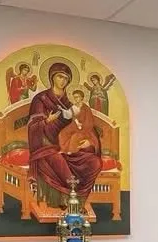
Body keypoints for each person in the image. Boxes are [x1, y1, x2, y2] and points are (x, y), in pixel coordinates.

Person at [27, 62, 103, 207]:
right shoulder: (41, 99)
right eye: (60, 77)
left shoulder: (73, 100)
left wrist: (90, 142)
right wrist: (47, 121)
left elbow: (87, 125)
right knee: (59, 162)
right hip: (47, 146)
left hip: (71, 145)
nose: (63, 81)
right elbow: (33, 127)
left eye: (66, 78)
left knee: (95, 162)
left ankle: (79, 202)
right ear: (52, 77)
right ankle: (69, 203)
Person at [58, 90, 99, 155]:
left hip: (84, 128)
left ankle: (71, 150)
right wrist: (62, 109)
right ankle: (64, 149)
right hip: (74, 126)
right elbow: (68, 115)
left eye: (77, 97)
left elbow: (89, 121)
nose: (75, 99)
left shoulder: (86, 108)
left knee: (75, 136)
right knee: (62, 133)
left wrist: (82, 126)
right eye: (74, 97)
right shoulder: (74, 107)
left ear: (82, 97)